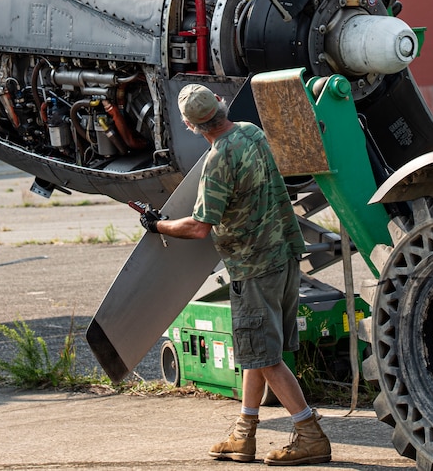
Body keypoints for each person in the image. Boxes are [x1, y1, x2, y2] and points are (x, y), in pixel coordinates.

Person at [139, 83, 331, 466]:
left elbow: (198, 227)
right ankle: (244, 434)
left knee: (265, 358)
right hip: (284, 255)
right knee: (256, 353)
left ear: (192, 126)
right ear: (221, 107)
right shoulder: (251, 133)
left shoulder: (217, 160)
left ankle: (310, 433)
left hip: (253, 267)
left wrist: (157, 226)